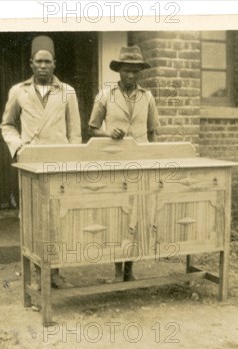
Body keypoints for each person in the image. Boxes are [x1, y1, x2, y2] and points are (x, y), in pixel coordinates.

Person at [1, 35, 81, 289]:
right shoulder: (18, 91)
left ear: (55, 63)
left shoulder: (67, 92)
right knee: (34, 219)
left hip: (60, 165)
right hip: (32, 165)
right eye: (39, 62)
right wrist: (19, 148)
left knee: (60, 219)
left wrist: (73, 160)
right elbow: (7, 125)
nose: (44, 66)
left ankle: (55, 273)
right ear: (31, 64)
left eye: (48, 61)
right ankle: (37, 275)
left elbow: (75, 132)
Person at [88, 45, 160, 281]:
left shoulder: (147, 97)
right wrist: (108, 133)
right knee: (118, 216)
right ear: (118, 71)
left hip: (140, 164)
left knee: (137, 216)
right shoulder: (105, 95)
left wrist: (153, 159)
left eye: (136, 71)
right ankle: (117, 271)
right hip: (115, 164)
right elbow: (91, 128)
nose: (131, 75)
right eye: (127, 70)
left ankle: (130, 270)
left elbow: (152, 132)